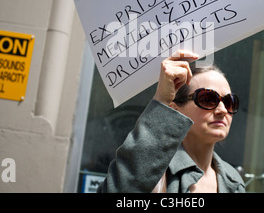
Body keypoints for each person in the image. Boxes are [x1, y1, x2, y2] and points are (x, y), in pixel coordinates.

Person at [97, 50, 245, 193]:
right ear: (174, 110)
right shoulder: (153, 173)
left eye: (229, 102)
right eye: (207, 99)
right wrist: (161, 100)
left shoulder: (234, 182)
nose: (222, 110)